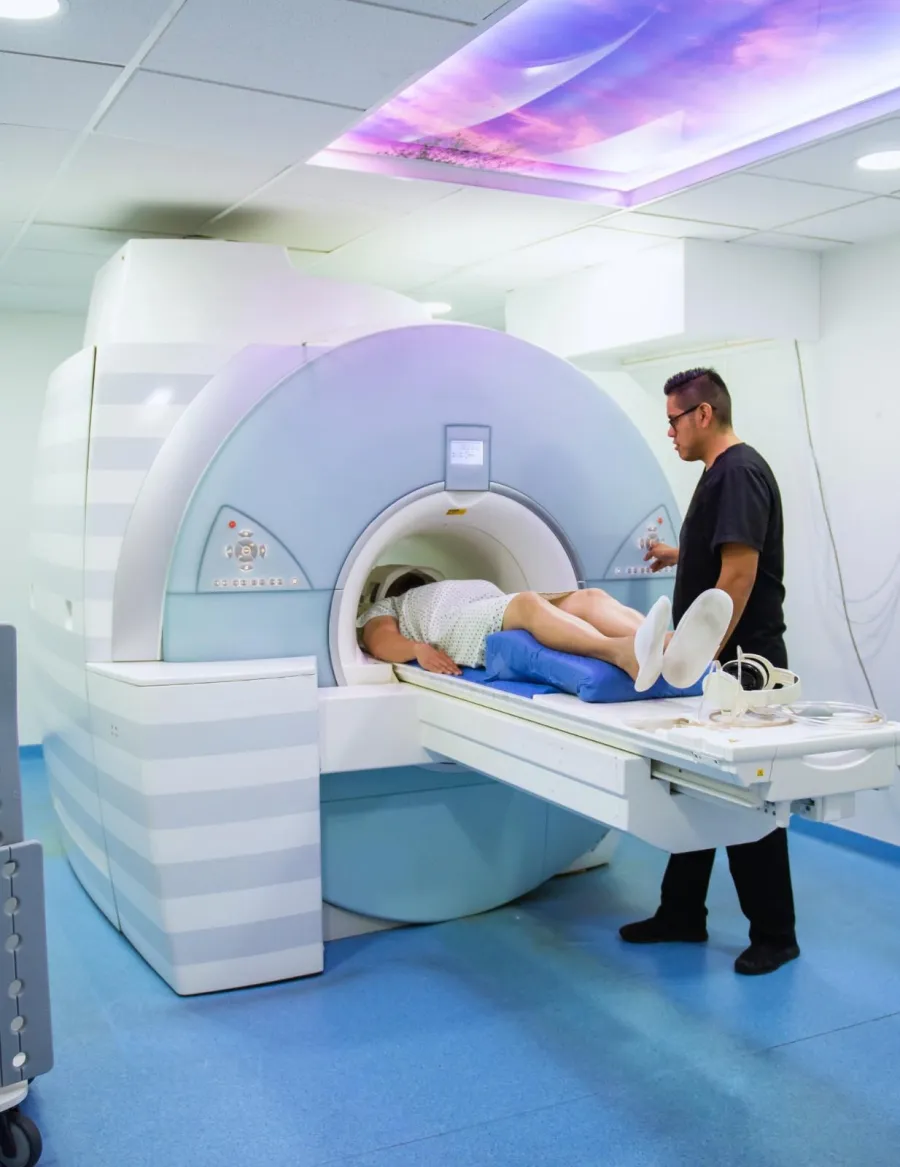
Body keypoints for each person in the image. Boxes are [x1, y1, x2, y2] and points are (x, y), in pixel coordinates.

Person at [619, 367, 800, 977]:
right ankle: (681, 913)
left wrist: (701, 657)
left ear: (702, 415)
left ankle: (776, 935)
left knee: (747, 796)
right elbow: (721, 553)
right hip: (721, 662)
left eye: (672, 420)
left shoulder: (740, 472)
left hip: (743, 665)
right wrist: (678, 554)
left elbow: (740, 576)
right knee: (695, 783)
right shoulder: (717, 476)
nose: (668, 432)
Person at [358, 576, 733, 695]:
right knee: (528, 604)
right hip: (454, 627)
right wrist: (418, 650)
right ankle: (623, 653)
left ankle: (670, 643)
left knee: (590, 598)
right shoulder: (389, 606)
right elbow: (379, 640)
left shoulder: (450, 582)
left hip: (489, 602)